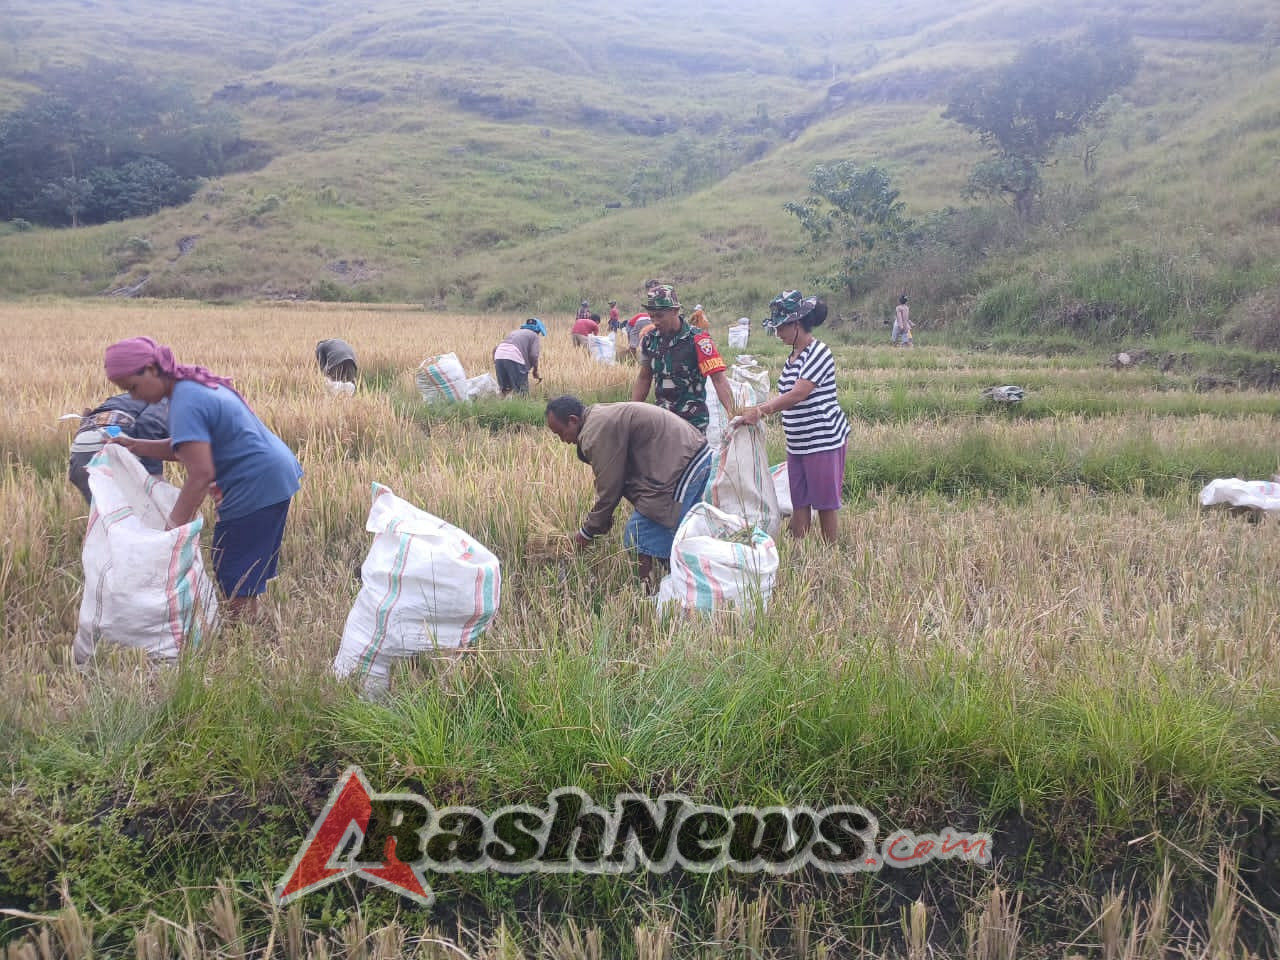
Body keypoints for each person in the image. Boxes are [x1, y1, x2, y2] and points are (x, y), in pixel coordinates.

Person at [103, 336, 304, 623]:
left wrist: (171, 533)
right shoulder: (191, 386)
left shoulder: (185, 401)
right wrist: (136, 445)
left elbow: (200, 474)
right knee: (237, 566)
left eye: (133, 387)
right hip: (271, 476)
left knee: (235, 573)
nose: (134, 397)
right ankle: (252, 628)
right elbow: (187, 446)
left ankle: (245, 640)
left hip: (255, 484)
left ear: (151, 368)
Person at [545, 396, 712, 591]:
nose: (563, 440)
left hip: (682, 463)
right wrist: (601, 523)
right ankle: (681, 586)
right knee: (669, 532)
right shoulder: (597, 418)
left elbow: (610, 488)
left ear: (573, 420)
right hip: (690, 456)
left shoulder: (594, 432)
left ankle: (647, 594)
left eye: (561, 433)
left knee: (638, 533)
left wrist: (587, 532)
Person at [735, 291, 850, 542]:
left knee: (825, 502)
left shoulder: (819, 352)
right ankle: (800, 549)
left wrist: (760, 411)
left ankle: (831, 550)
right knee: (799, 499)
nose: (778, 334)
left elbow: (797, 394)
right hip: (797, 442)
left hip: (822, 440)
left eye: (781, 328)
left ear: (796, 324)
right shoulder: (792, 357)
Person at [631, 282, 736, 432]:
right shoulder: (650, 340)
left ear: (675, 311)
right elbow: (644, 378)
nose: (655, 321)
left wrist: (733, 413)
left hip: (692, 422)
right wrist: (632, 411)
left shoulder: (699, 340)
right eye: (652, 316)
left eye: (660, 316)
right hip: (663, 421)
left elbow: (718, 379)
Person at [68, 393, 169, 505]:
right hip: (111, 448)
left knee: (108, 517)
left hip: (80, 450)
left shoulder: (130, 396)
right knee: (150, 514)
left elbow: (88, 416)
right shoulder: (169, 400)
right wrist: (154, 476)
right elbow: (149, 425)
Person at [493, 318, 545, 395]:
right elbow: (534, 355)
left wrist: (497, 363)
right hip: (514, 356)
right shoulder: (534, 336)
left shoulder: (514, 332)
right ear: (538, 330)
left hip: (499, 356)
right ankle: (523, 406)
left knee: (505, 391)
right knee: (522, 392)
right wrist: (535, 369)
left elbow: (495, 349)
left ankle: (502, 406)